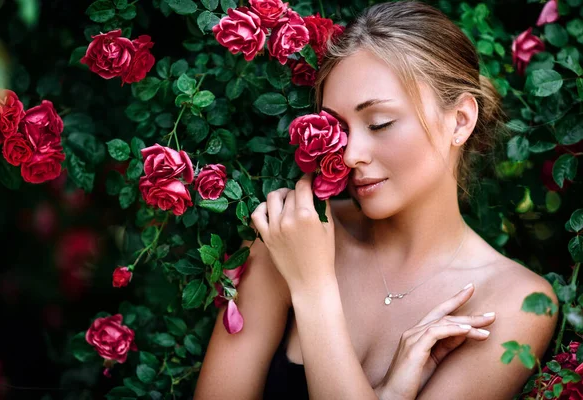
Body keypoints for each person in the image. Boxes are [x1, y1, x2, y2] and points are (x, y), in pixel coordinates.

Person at [193, 1, 558, 399]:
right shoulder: (290, 241)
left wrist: (313, 292)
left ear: (460, 120)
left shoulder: (514, 302)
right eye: (339, 127)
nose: (350, 155)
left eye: (379, 123)